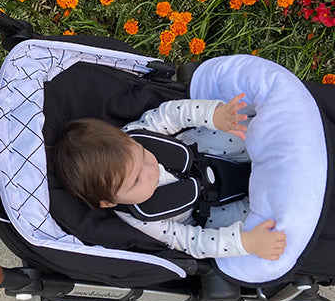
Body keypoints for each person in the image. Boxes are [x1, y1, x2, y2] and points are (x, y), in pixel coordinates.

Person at [53, 94, 287, 261]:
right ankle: (280, 201)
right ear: (109, 201)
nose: (151, 170)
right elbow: (189, 241)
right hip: (208, 208)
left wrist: (215, 115)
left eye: (144, 155)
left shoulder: (133, 135)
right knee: (256, 221)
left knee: (240, 129)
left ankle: (273, 140)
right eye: (136, 180)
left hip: (206, 152)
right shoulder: (140, 219)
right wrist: (244, 243)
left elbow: (171, 115)